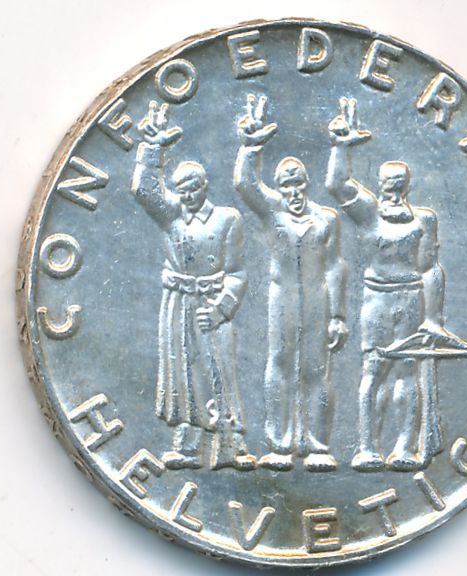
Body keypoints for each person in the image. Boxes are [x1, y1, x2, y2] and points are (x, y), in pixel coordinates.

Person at [131, 100, 255, 471]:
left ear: (205, 186)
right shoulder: (171, 215)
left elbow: (237, 273)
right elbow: (143, 189)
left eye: (193, 187)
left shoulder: (227, 219)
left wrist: (220, 310)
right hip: (177, 303)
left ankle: (231, 445)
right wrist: (153, 148)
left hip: (211, 302)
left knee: (219, 371)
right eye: (180, 189)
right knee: (181, 372)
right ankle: (187, 445)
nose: (187, 195)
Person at [326, 97, 447, 472]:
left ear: (407, 185)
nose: (392, 189)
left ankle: (404, 447)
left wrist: (433, 318)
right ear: (379, 184)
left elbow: (430, 268)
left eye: (398, 183)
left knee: (407, 372)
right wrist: (341, 146)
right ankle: (367, 448)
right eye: (387, 183)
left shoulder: (423, 221)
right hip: (376, 300)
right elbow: (336, 184)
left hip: (410, 300)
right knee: (374, 371)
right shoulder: (368, 213)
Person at [234, 94, 347, 472]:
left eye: (297, 184)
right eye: (285, 186)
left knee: (316, 370)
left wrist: (338, 316)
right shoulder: (272, 212)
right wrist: (250, 147)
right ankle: (279, 445)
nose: (293, 192)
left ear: (307, 183)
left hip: (317, 299)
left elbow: (335, 266)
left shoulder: (327, 219)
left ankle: (318, 446)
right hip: (281, 299)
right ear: (278, 188)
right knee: (280, 364)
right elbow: (245, 184)